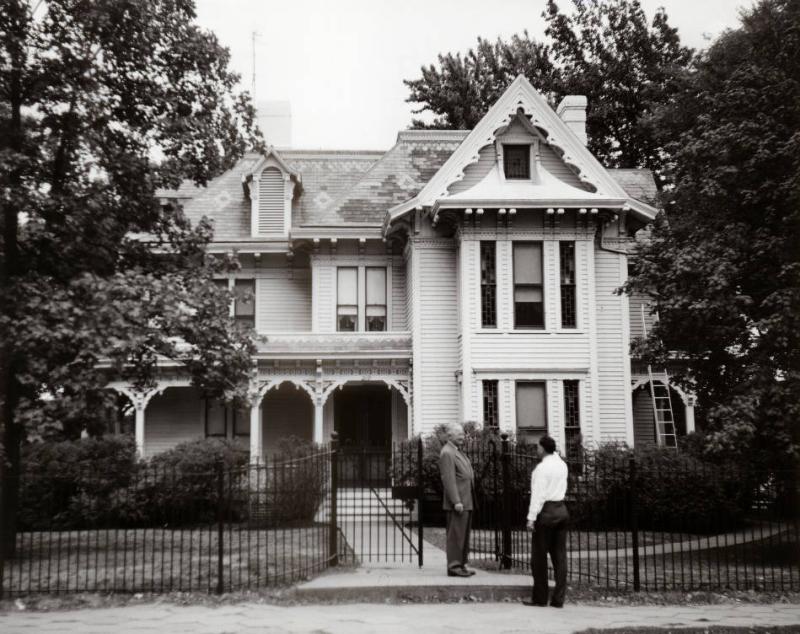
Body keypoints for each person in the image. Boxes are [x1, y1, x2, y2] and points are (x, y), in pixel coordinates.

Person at [524, 435, 569, 607]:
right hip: (561, 509)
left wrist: (531, 518)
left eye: (537, 447)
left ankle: (540, 598)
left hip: (546, 512)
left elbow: (538, 496)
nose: (536, 450)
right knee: (560, 556)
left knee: (539, 556)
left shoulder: (541, 469)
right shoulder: (562, 465)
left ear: (542, 448)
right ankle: (559, 598)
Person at [439, 423, 476, 577]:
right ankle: (454, 567)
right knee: (456, 536)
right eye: (459, 434)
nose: (463, 437)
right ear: (450, 436)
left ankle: (461, 564)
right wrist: (456, 501)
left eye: (463, 434)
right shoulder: (447, 453)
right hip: (459, 502)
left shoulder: (456, 451)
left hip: (466, 500)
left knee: (463, 535)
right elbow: (448, 479)